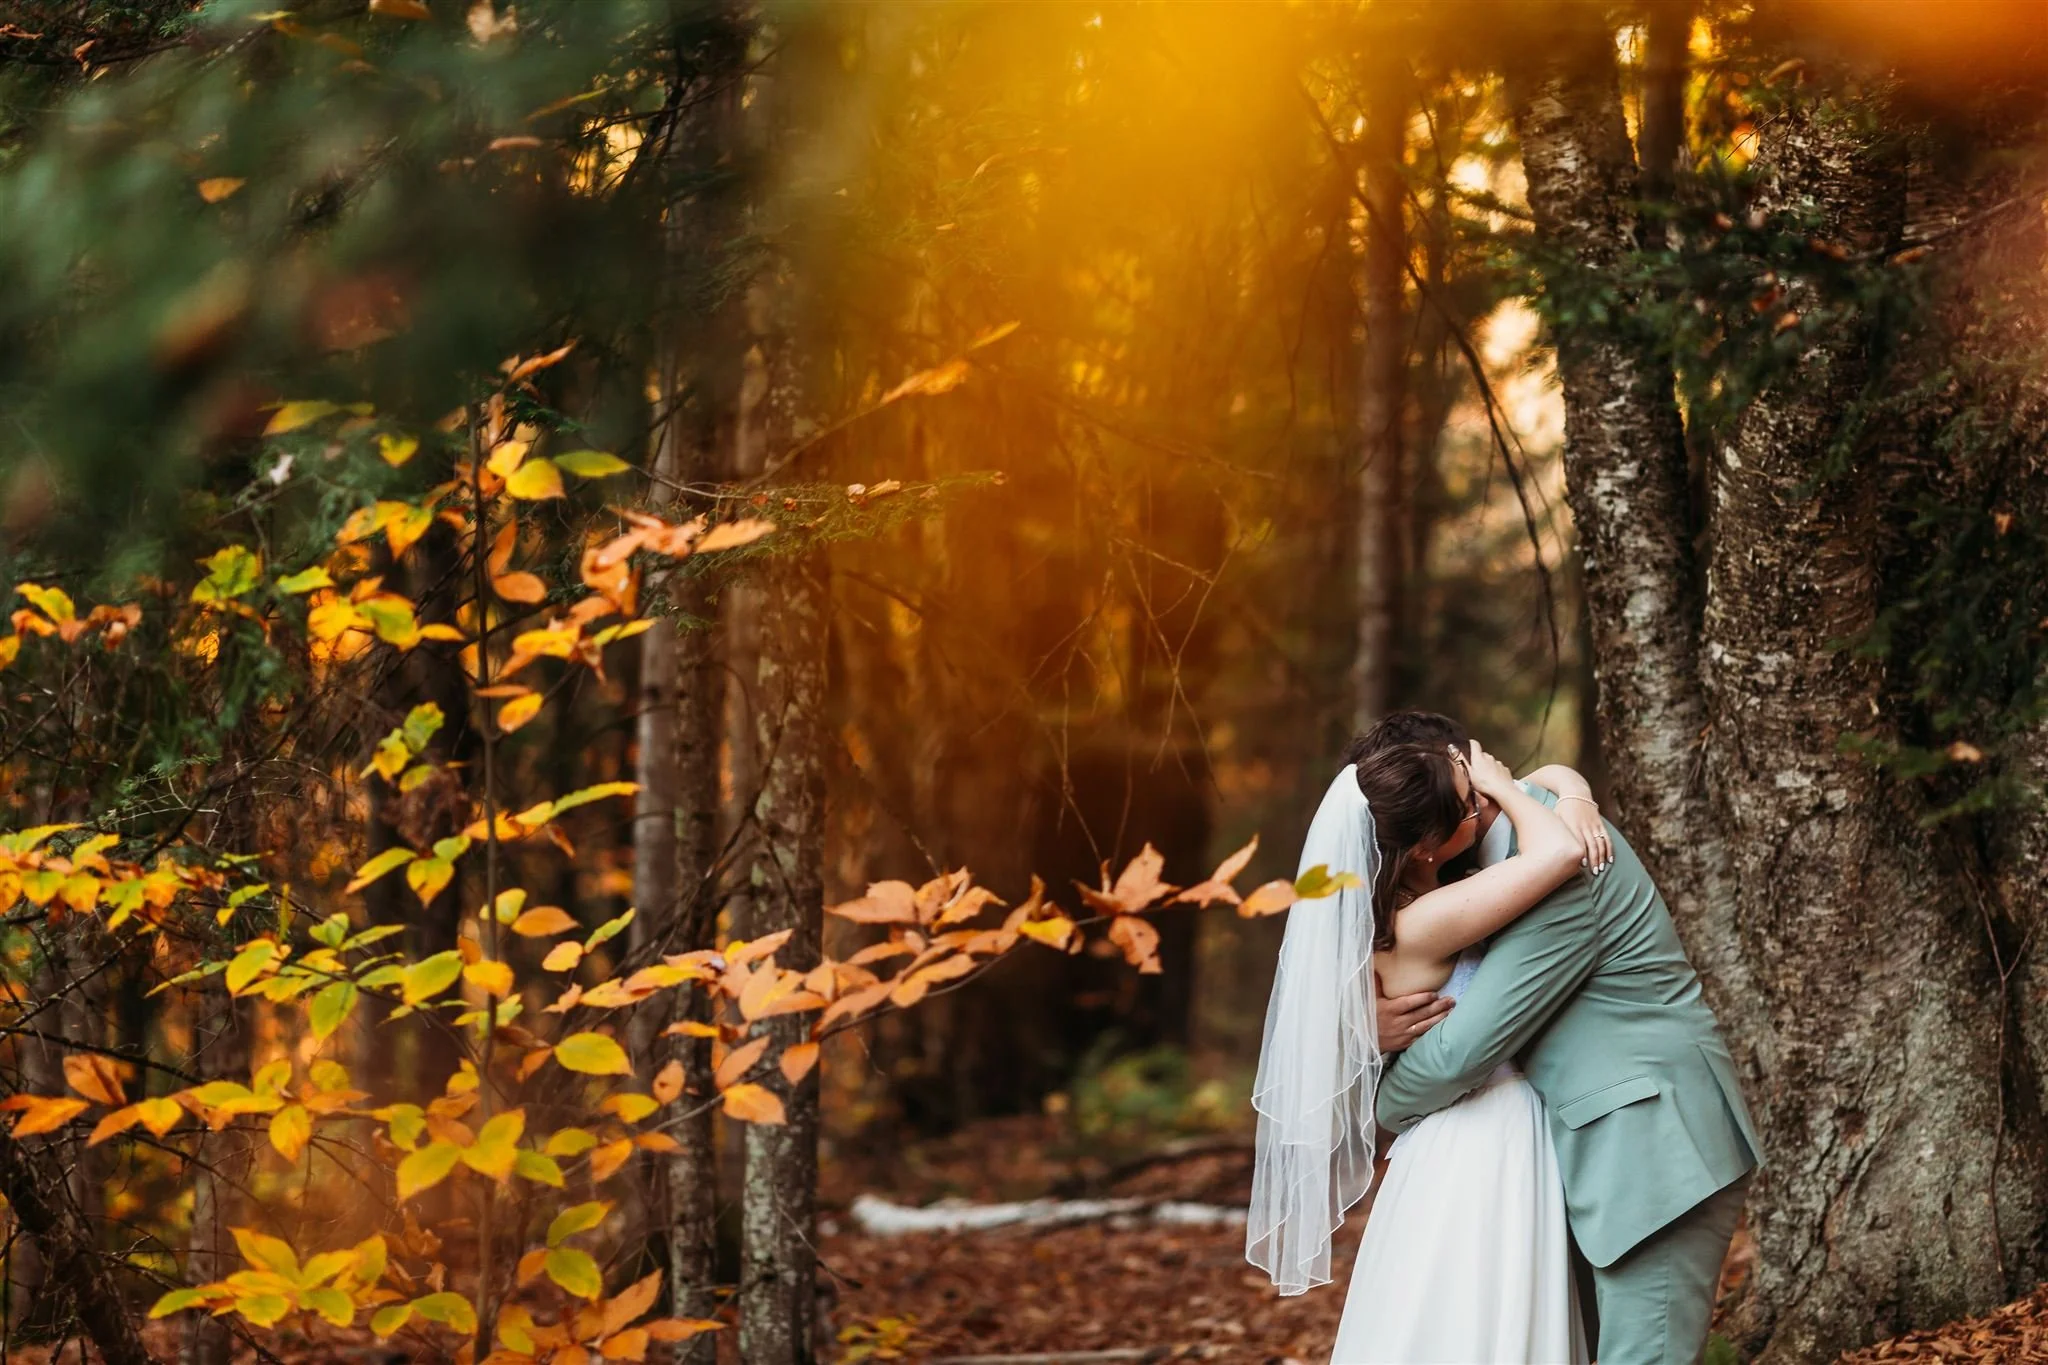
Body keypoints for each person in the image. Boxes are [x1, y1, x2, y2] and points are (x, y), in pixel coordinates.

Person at [1370, 711, 1762, 1365]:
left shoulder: (1556, 858)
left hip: (1653, 1144)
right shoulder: (1501, 851)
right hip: (1602, 1145)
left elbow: (1465, 1049)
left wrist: (1384, 1108)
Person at [1246, 734, 1595, 1362]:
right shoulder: (1426, 921)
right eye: (1467, 808)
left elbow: (1550, 779)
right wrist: (1521, 794)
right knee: (1480, 1314)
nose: (1480, 808)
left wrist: (1572, 789)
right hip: (1486, 1134)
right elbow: (1563, 851)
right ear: (1425, 846)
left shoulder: (1395, 912)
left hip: (1443, 1140)